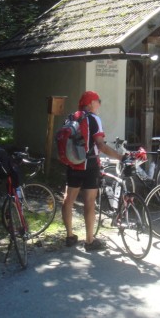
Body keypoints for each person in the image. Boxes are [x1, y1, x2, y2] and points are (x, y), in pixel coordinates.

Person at [61, 91, 124, 251]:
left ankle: (69, 236)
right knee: (89, 202)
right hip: (90, 165)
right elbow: (101, 145)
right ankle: (89, 241)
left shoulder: (71, 117)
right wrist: (119, 157)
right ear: (90, 103)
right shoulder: (94, 119)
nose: (100, 104)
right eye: (98, 101)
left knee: (68, 200)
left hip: (73, 164)